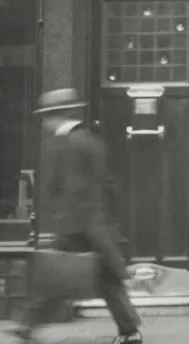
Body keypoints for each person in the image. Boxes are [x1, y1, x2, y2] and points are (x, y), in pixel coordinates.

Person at [10, 89, 142, 344]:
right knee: (105, 281)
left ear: (53, 117)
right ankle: (129, 331)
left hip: (81, 226)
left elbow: (75, 188)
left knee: (55, 277)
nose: (44, 123)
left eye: (45, 117)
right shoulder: (88, 138)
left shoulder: (69, 143)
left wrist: (70, 223)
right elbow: (107, 183)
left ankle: (28, 326)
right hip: (94, 224)